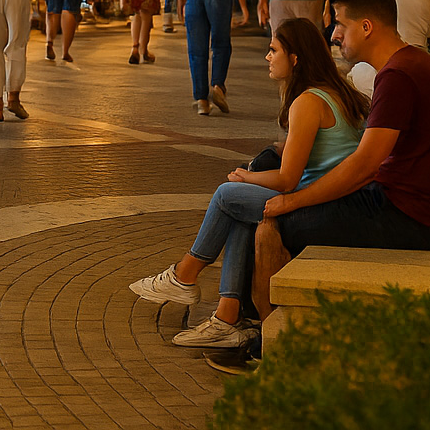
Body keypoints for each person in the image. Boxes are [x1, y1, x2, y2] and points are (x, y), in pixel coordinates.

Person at [129, 18, 368, 346]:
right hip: (329, 197)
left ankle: (185, 276)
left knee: (228, 194)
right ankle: (226, 317)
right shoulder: (330, 92)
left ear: (295, 57)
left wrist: (247, 176)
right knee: (240, 209)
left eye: (273, 50)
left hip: (319, 203)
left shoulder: (308, 102)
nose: (267, 57)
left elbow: (287, 180)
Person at [253, 0, 430, 318]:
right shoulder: (412, 63)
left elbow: (364, 165)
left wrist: (290, 200)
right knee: (277, 198)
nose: (334, 34)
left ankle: (264, 337)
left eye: (340, 23)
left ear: (366, 27)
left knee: (275, 224)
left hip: (411, 218)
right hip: (408, 204)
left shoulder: (398, 75)